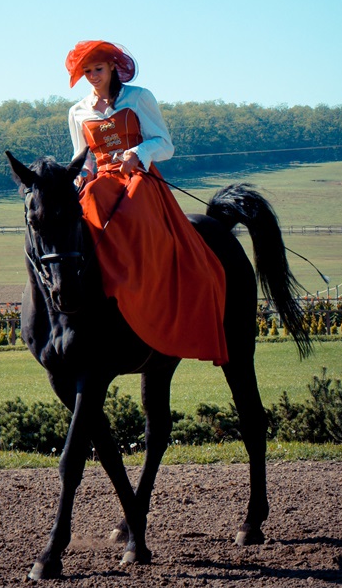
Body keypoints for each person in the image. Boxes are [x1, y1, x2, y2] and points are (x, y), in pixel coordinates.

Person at [66, 40, 228, 364]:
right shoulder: (77, 111)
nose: (93, 76)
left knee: (132, 209)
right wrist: (78, 177)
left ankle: (140, 283)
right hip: (101, 180)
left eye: (98, 69)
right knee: (85, 208)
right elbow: (82, 159)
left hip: (138, 177)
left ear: (113, 66)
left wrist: (139, 153)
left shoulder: (139, 98)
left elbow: (164, 145)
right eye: (87, 72)